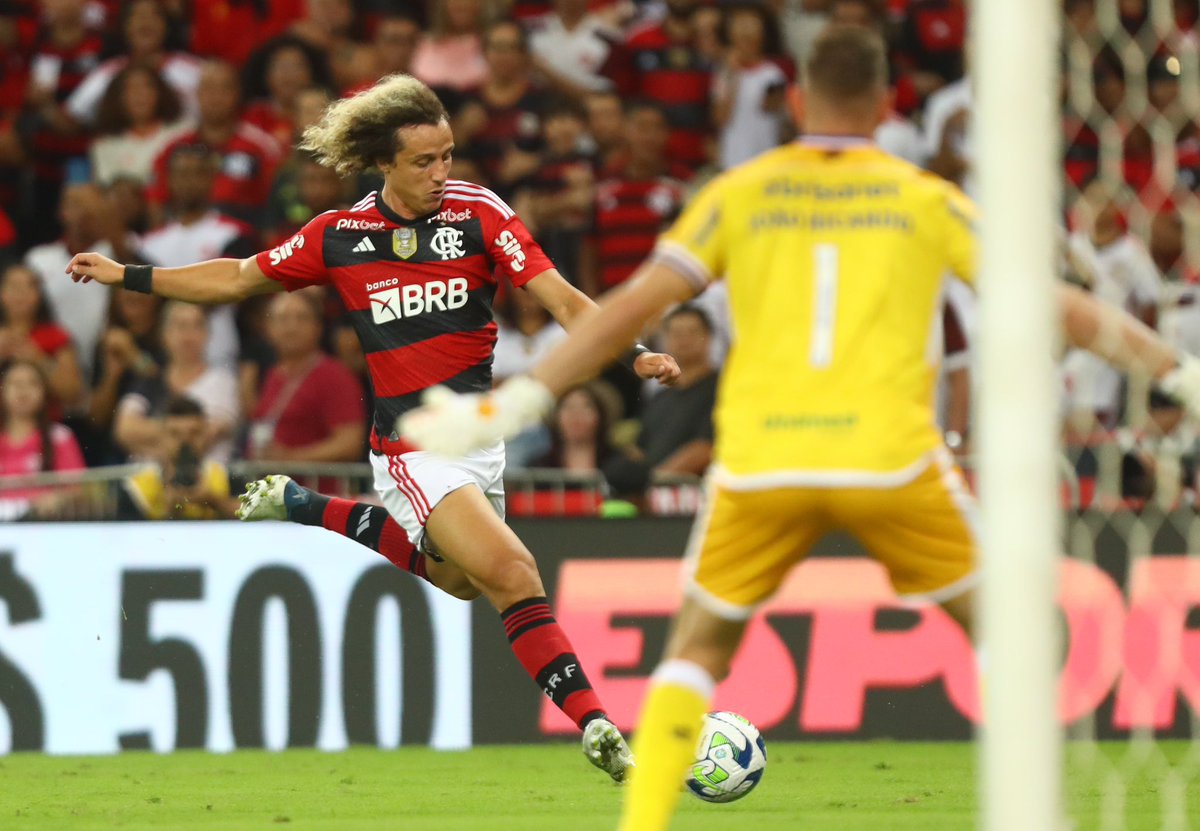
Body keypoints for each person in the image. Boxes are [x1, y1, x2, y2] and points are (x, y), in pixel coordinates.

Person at [396, 26, 1200, 831]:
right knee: (999, 630)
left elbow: (637, 306)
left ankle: (641, 825)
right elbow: (1052, 302)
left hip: (762, 464)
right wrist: (1176, 370)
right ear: (888, 106)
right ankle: (1031, 811)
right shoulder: (924, 196)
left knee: (698, 652)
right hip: (890, 461)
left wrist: (517, 402)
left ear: (798, 101)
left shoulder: (741, 192)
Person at [64, 72, 680, 783]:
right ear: (384, 163)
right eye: (424, 161)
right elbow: (237, 277)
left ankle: (305, 505)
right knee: (514, 572)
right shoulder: (342, 236)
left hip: (480, 438)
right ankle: (598, 724)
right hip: (414, 449)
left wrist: (632, 354)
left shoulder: (479, 214)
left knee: (458, 582)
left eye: (448, 155)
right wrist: (127, 274)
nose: (442, 174)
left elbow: (565, 301)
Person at [119, 395, 233, 521]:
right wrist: (169, 511)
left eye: (194, 433)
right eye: (175, 434)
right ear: (161, 436)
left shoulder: (224, 476)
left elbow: (253, 519)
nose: (185, 441)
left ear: (205, 434)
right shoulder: (138, 488)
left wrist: (215, 502)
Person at [0, 359, 86, 520]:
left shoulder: (60, 437)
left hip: (43, 527)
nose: (23, 390)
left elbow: (76, 490)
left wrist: (57, 499)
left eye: (32, 384)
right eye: (15, 383)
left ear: (44, 393)